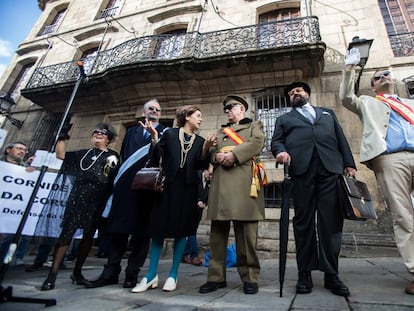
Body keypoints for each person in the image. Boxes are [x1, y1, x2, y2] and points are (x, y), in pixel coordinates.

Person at [271, 82, 356, 297]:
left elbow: (341, 139)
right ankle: (305, 274)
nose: (294, 94)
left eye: (298, 91)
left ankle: (331, 274)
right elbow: (276, 142)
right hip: (301, 173)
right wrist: (280, 152)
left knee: (331, 223)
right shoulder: (284, 119)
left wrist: (349, 163)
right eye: (291, 93)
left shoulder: (327, 113)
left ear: (307, 94)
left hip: (330, 171)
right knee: (303, 223)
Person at [340, 48, 414, 295]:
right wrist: (350, 68)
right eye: (377, 77)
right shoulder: (368, 103)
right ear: (373, 87)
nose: (383, 77)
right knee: (403, 215)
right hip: (391, 160)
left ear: (394, 80)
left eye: (386, 75)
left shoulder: (410, 104)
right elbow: (346, 97)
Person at [131, 105, 216, 293]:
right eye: (198, 116)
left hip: (188, 189)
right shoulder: (169, 134)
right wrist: (154, 138)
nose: (201, 120)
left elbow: (201, 165)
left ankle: (173, 275)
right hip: (167, 187)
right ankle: (151, 275)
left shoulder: (201, 140)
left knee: (182, 231)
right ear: (186, 116)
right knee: (158, 229)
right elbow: (156, 156)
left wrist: (207, 148)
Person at [85, 99, 167, 289]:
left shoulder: (165, 132)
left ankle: (132, 274)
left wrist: (154, 139)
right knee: (119, 230)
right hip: (126, 186)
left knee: (141, 233)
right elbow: (124, 157)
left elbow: (163, 158)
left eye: (158, 110)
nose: (154, 111)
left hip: (148, 187)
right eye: (151, 109)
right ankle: (110, 272)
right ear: (144, 112)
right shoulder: (131, 132)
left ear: (160, 114)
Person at [40, 123, 120, 290]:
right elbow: (61, 155)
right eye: (96, 132)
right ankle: (52, 275)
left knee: (88, 237)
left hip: (97, 201)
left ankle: (77, 272)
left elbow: (114, 178)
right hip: (77, 199)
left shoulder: (114, 156)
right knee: (66, 235)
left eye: (102, 133)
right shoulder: (82, 153)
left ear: (109, 139)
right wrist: (62, 136)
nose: (98, 134)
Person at [199, 94, 265, 295]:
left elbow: (257, 142)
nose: (227, 111)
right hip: (220, 184)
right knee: (217, 236)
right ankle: (216, 277)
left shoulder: (254, 125)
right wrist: (209, 149)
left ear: (242, 109)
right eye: (226, 109)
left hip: (244, 182)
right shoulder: (219, 133)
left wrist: (233, 155)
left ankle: (250, 278)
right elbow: (206, 158)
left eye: (231, 107)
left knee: (246, 236)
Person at [0, 142, 32, 266]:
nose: (22, 151)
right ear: (8, 150)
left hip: (14, 211)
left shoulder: (26, 169)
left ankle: (5, 263)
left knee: (12, 239)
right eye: (19, 148)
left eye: (24, 149)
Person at [182, 166, 212, 266]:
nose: (211, 176)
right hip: (189, 208)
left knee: (190, 231)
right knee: (191, 232)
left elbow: (207, 197)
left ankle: (184, 254)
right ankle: (194, 255)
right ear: (206, 170)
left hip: (198, 211)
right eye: (210, 173)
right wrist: (197, 200)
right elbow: (190, 190)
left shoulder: (209, 183)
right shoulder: (196, 176)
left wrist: (204, 203)